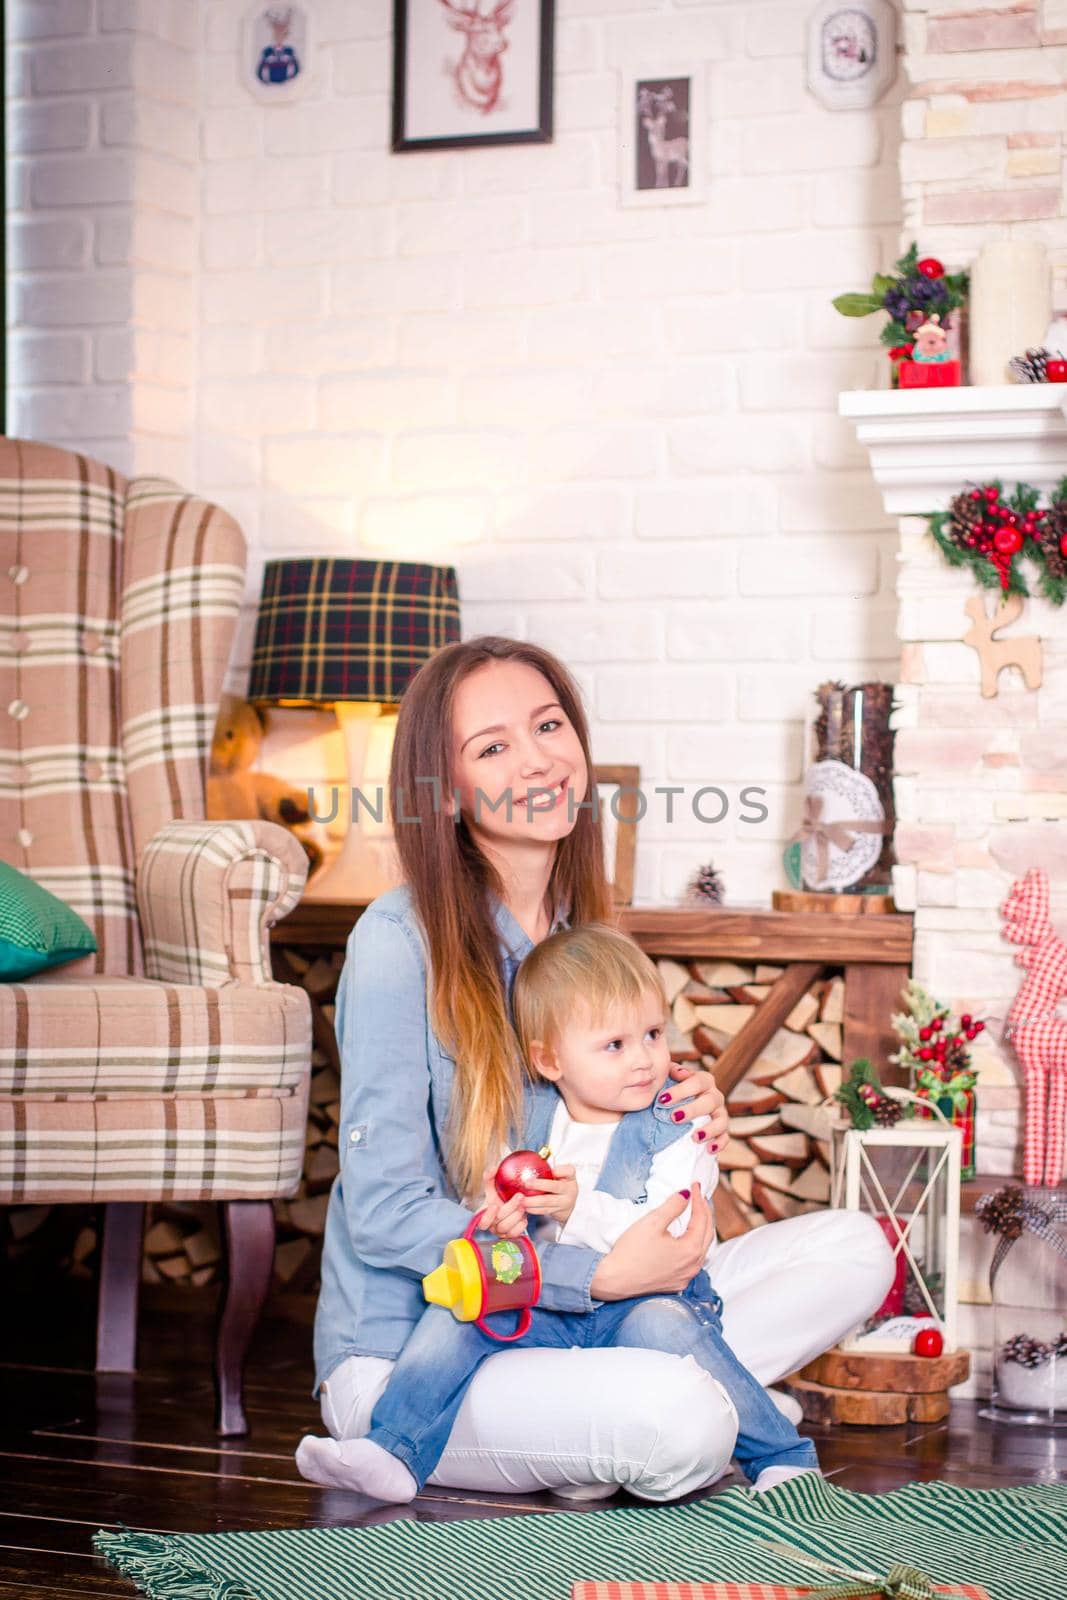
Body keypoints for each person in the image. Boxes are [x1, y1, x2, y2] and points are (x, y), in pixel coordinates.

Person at [302, 635, 894, 1502]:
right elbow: (387, 1215)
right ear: (445, 786)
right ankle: (692, 1411)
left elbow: (610, 1159)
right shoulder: (399, 942)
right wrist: (593, 1277)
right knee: (678, 1421)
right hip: (432, 1351)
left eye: (548, 726)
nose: (537, 760)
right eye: (492, 746)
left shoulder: (582, 934)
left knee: (856, 1249)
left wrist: (678, 1118)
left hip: (604, 1311)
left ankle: (632, 1418)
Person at [297, 925, 820, 1503]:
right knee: (463, 1308)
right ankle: (394, 1450)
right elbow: (487, 1197)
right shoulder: (527, 1120)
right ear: (549, 1059)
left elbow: (667, 1228)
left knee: (671, 1328)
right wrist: (499, 1217)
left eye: (652, 1033)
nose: (644, 1059)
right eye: (614, 1045)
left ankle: (782, 1456)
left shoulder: (678, 1126)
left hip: (642, 1304)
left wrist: (579, 1209)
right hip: (551, 1305)